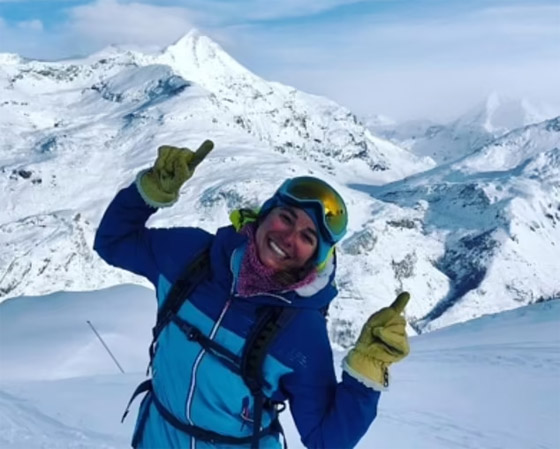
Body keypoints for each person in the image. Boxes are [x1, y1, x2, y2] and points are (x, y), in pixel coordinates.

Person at [94, 140, 410, 449]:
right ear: (264, 214)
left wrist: (366, 371)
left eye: (307, 237)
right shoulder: (188, 257)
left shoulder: (301, 331)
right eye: (286, 218)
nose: (288, 238)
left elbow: (326, 440)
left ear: (316, 258)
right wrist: (148, 192)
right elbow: (112, 242)